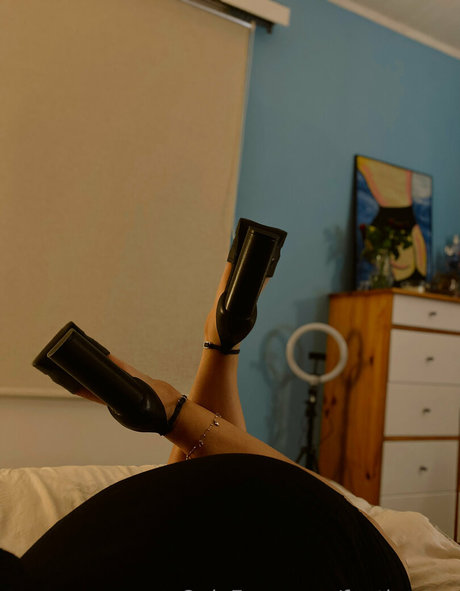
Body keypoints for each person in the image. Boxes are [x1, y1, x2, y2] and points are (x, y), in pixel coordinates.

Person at [3, 220, 411, 590]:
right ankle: (193, 379)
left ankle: (187, 386)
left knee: (351, 535)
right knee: (353, 535)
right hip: (297, 529)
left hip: (293, 530)